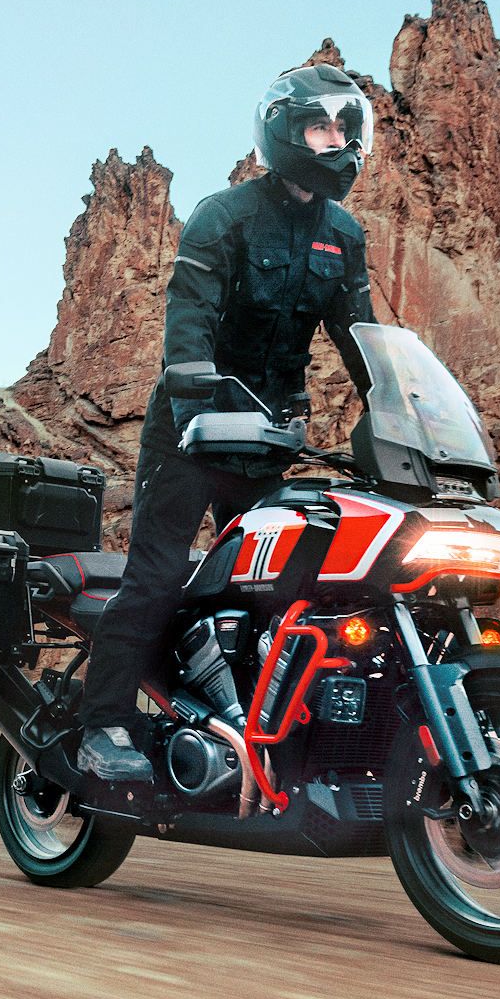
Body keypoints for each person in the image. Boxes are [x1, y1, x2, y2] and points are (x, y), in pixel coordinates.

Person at [77, 63, 382, 779]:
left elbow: (362, 341)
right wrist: (196, 406)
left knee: (280, 594)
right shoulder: (224, 216)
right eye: (320, 127)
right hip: (192, 435)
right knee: (156, 578)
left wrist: (400, 415)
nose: (336, 141)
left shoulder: (344, 235)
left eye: (346, 129)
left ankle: (250, 735)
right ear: (284, 132)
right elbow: (189, 319)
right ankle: (103, 727)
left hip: (269, 439)